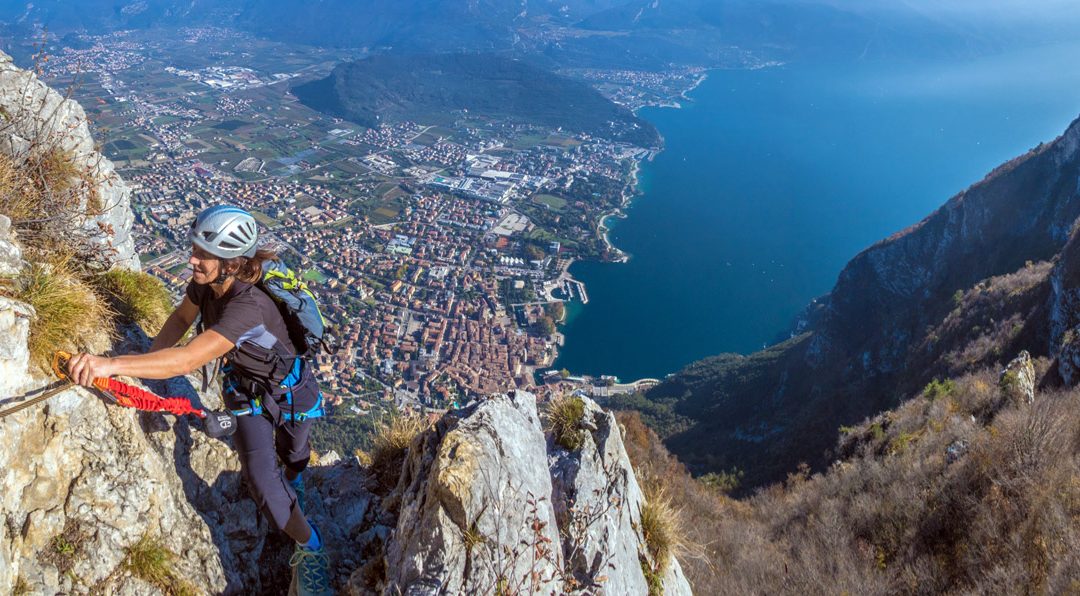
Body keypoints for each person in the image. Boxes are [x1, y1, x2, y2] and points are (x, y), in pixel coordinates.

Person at [66, 205, 332, 596]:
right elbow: (179, 321)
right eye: (195, 248)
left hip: (292, 395)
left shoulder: (249, 308)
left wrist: (111, 365)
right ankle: (313, 549)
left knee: (294, 455)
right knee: (262, 481)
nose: (193, 259)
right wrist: (140, 368)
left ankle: (296, 479)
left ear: (233, 263)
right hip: (244, 392)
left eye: (204, 255)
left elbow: (191, 357)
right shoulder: (206, 283)